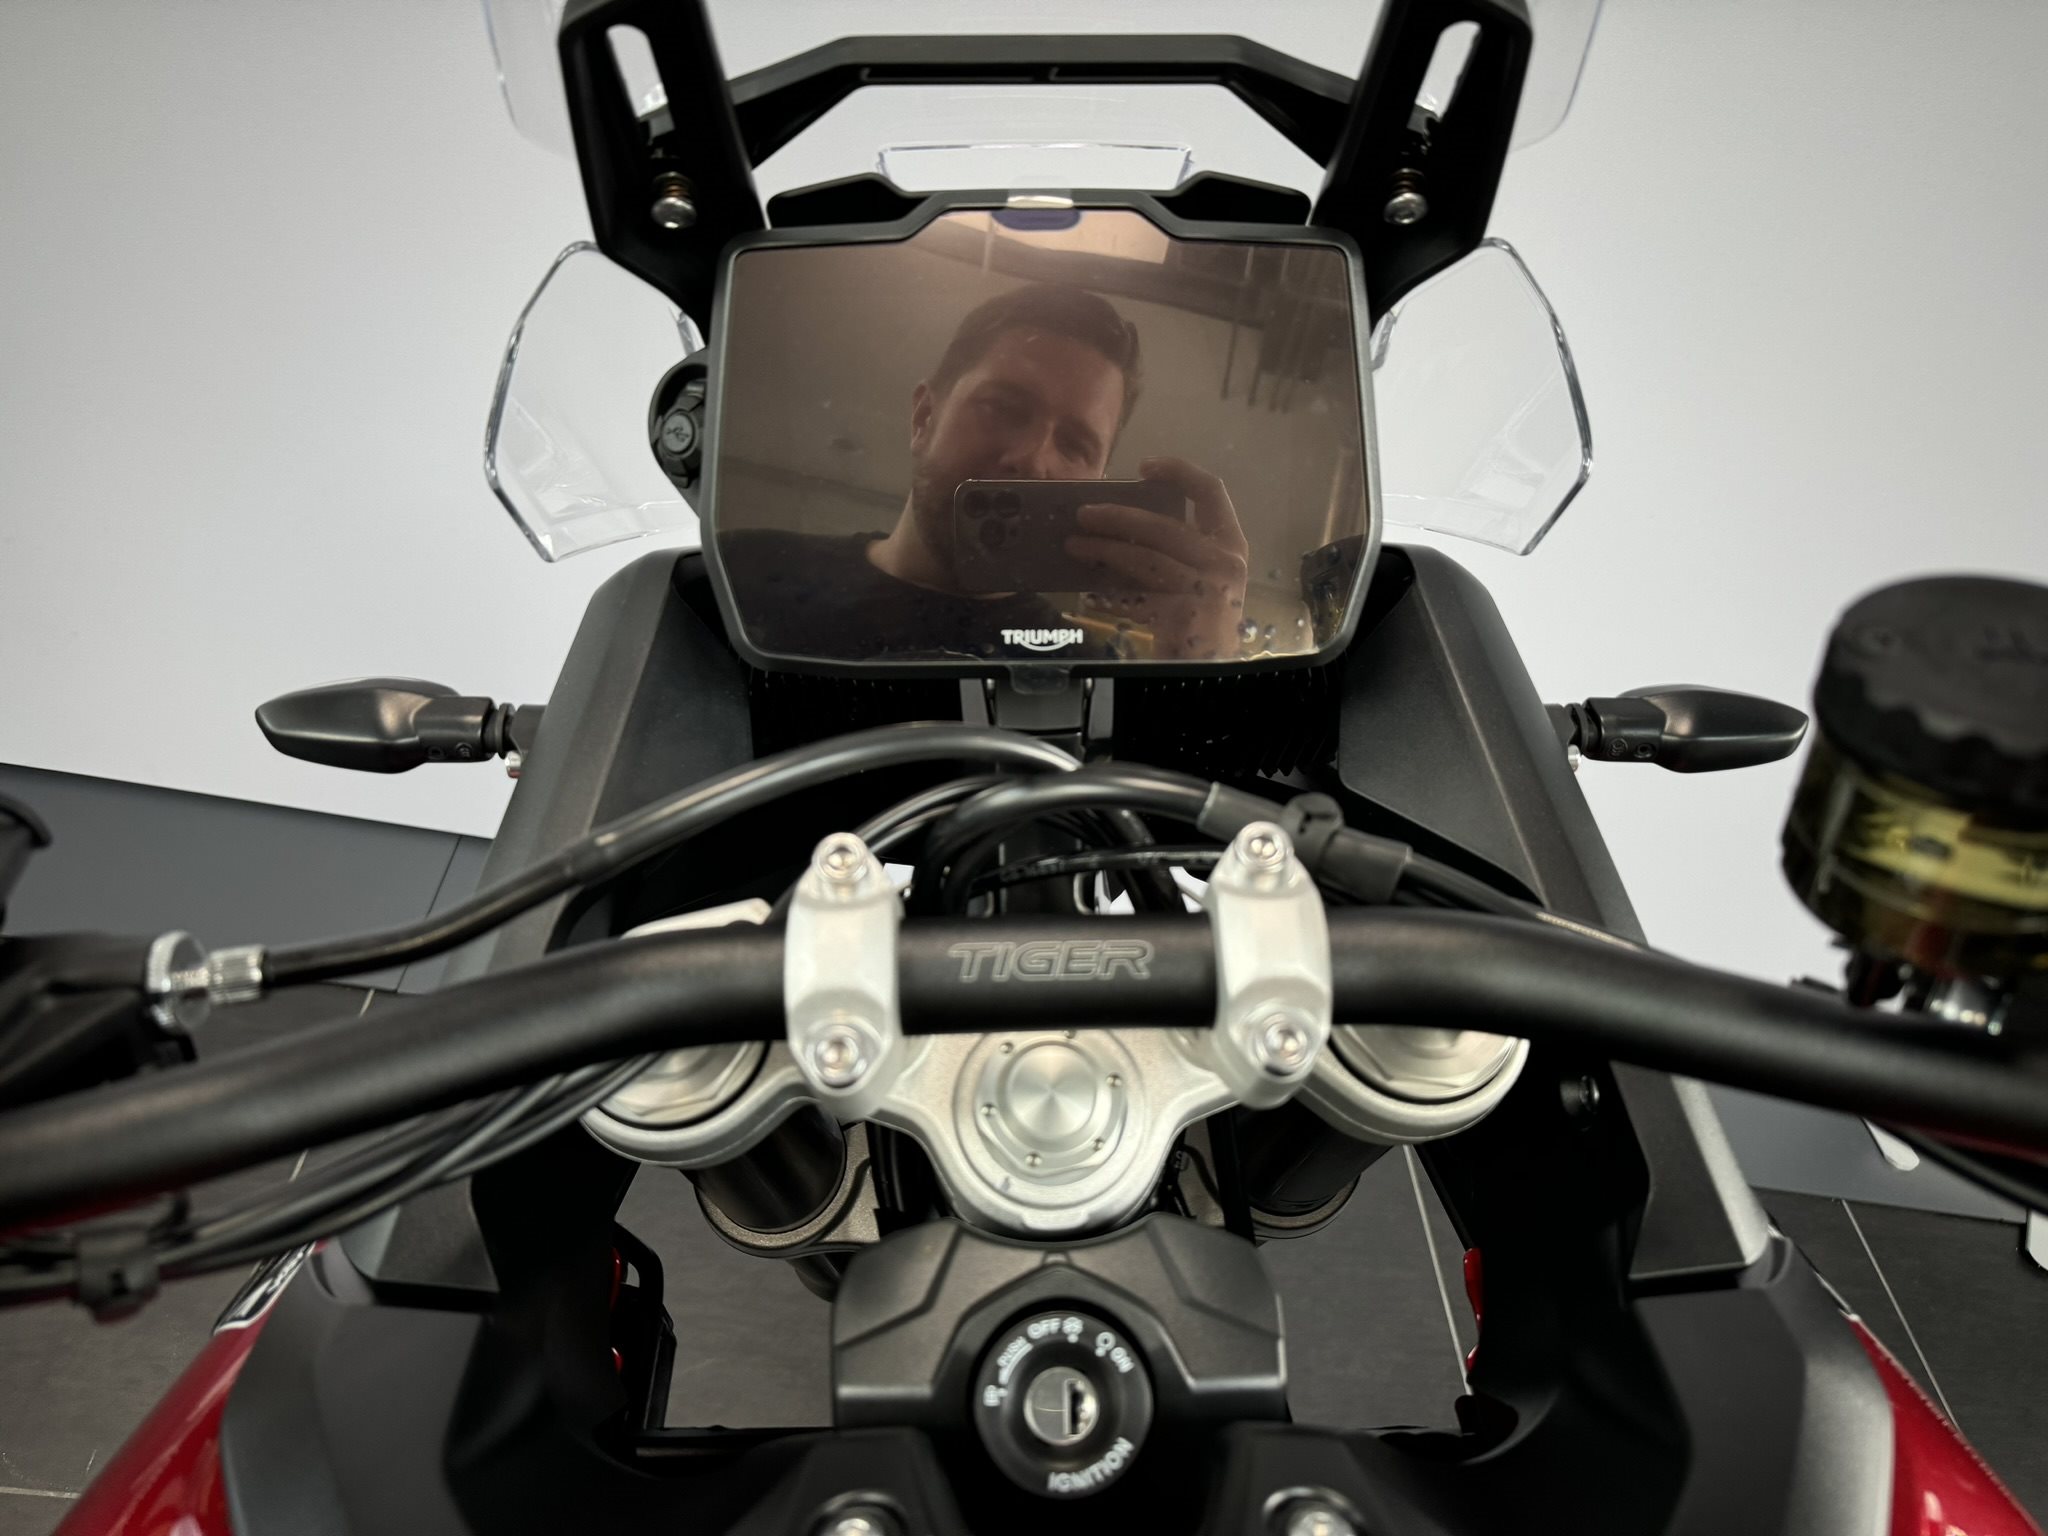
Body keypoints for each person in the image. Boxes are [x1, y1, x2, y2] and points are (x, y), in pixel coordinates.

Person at [716, 281, 1249, 663]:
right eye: (1003, 408)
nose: (1033, 459)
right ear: (924, 418)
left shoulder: (1090, 671)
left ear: (1097, 483)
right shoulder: (735, 575)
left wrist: (1204, 664)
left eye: (1075, 445)